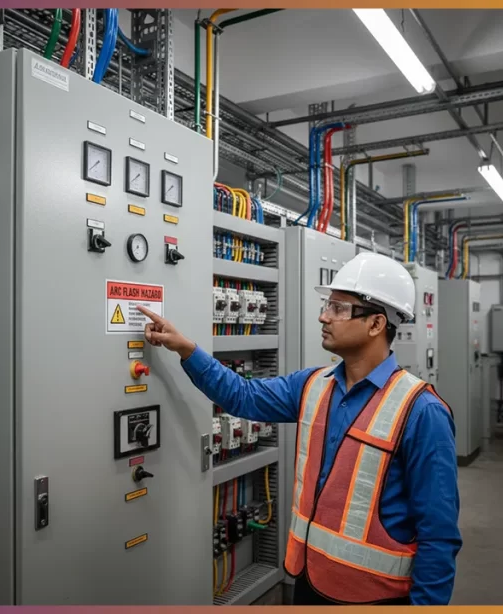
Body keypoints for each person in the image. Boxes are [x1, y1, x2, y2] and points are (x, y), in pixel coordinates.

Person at [137, 252, 461, 606]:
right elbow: (243, 396)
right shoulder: (313, 385)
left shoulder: (422, 411)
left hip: (375, 597)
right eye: (327, 305)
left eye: (338, 308)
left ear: (376, 324)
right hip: (309, 583)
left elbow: (439, 534)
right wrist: (186, 349)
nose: (324, 316)